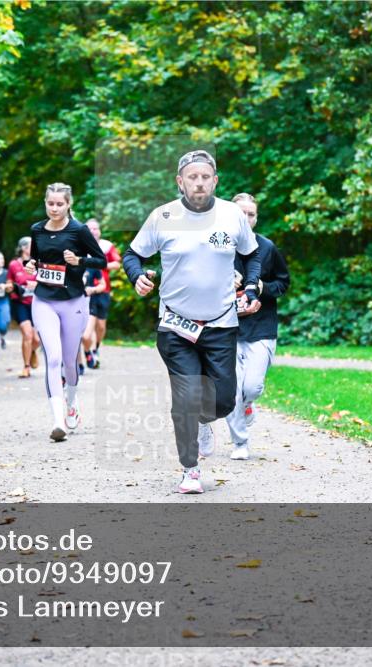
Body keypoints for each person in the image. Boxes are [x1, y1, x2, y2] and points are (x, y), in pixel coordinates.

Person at [122, 150, 261, 494]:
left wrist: (254, 285)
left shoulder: (232, 215)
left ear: (215, 181)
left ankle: (204, 421)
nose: (198, 183)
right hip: (175, 325)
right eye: (192, 177)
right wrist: (137, 275)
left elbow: (252, 254)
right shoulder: (163, 216)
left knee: (224, 400)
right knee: (184, 398)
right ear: (180, 181)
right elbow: (132, 254)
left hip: (221, 323)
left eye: (205, 177)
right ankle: (190, 469)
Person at [25, 183, 107, 442]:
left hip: (73, 301)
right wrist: (30, 267)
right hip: (44, 300)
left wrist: (80, 261)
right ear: (45, 202)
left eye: (60, 204)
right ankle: (58, 420)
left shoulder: (79, 230)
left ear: (69, 204)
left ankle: (72, 402)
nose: (55, 208)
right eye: (51, 203)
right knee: (53, 358)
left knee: (70, 362)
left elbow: (101, 261)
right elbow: (36, 262)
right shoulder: (37, 230)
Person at [224, 193, 290, 461]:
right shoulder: (218, 248)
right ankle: (240, 443)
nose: (246, 218)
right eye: (241, 213)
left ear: (256, 218)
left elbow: (282, 284)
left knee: (251, 387)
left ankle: (248, 405)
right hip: (226, 328)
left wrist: (262, 288)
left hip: (261, 328)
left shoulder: (267, 248)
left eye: (251, 214)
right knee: (231, 389)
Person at [82, 219, 122, 369]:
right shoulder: (80, 245)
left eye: (95, 229)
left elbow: (117, 264)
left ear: (99, 231)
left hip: (103, 289)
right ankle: (88, 351)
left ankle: (96, 347)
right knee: (88, 325)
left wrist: (98, 264)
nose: (93, 231)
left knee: (100, 325)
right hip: (85, 291)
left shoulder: (106, 246)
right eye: (90, 229)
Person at [8, 237, 42, 378]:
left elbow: (47, 280)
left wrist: (37, 285)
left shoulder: (39, 263)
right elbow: (9, 281)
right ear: (23, 248)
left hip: (37, 303)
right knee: (27, 334)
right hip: (20, 303)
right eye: (31, 246)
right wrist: (9, 287)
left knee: (37, 339)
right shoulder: (14, 264)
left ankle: (32, 351)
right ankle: (26, 367)